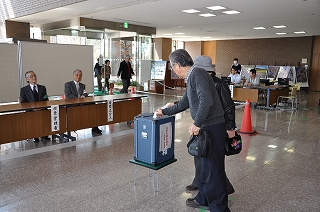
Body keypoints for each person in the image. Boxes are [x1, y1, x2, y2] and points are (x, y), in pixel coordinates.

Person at [155, 49, 230, 211]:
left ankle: (219, 207)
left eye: (172, 68)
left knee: (212, 169)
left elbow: (207, 101)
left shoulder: (197, 74)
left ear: (176, 65)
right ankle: (203, 197)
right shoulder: (192, 77)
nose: (173, 72)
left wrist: (197, 123)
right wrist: (164, 111)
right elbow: (184, 103)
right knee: (204, 167)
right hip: (207, 127)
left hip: (212, 127)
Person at [64, 69, 102, 133]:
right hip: (72, 105)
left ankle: (95, 126)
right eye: (77, 75)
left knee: (93, 105)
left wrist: (83, 96)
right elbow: (68, 95)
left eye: (80, 75)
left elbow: (85, 93)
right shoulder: (68, 84)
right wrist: (79, 98)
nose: (78, 77)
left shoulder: (82, 85)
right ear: (73, 76)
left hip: (81, 103)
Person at [20, 71, 50, 142]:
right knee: (33, 122)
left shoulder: (42, 88)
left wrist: (41, 107)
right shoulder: (24, 90)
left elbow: (46, 98)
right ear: (27, 79)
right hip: (31, 111)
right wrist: (33, 108)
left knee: (44, 119)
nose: (34, 77)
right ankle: (35, 136)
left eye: (35, 76)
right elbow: (23, 102)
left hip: (42, 110)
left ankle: (45, 135)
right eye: (31, 76)